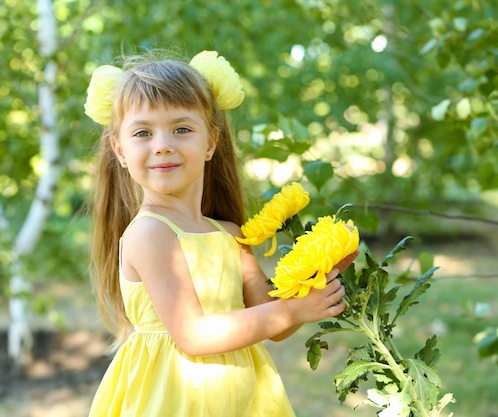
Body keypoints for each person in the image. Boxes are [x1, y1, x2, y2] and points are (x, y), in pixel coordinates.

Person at [84, 49, 357, 417]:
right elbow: (194, 335)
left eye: (181, 129)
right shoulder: (150, 234)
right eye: (143, 132)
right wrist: (292, 311)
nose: (162, 144)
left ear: (210, 142)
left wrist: (315, 284)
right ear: (120, 149)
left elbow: (273, 323)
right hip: (176, 401)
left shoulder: (229, 234)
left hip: (241, 400)